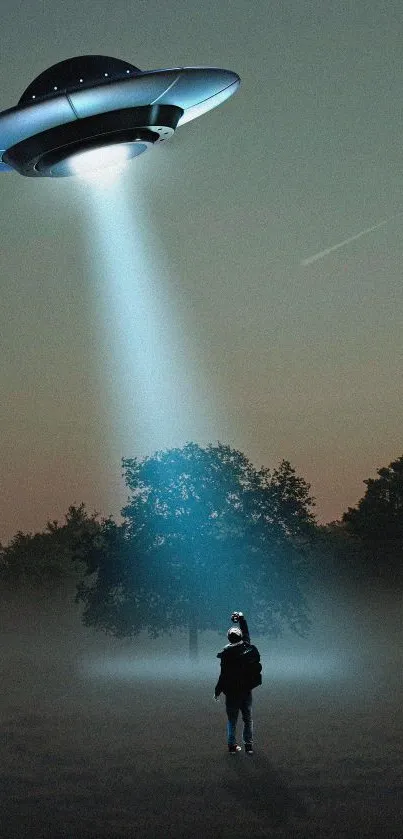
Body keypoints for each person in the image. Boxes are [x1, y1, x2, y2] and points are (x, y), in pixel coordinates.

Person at [214, 611, 262, 754]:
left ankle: (232, 747)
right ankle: (248, 746)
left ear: (229, 638)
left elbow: (223, 675)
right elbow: (246, 633)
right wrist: (241, 618)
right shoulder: (247, 648)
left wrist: (217, 691)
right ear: (240, 637)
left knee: (232, 720)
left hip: (231, 693)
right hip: (246, 691)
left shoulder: (226, 654)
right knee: (248, 719)